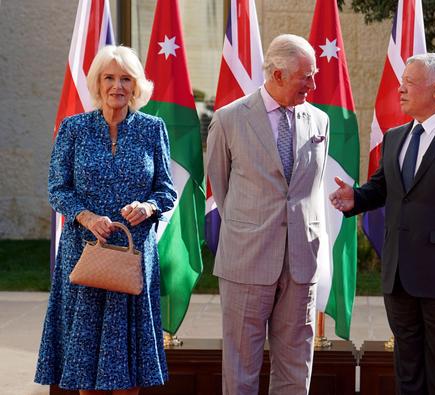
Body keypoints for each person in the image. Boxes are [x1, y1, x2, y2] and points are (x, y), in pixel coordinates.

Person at [329, 53, 435, 395]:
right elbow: (384, 187)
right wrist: (356, 198)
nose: (400, 89)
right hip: (399, 274)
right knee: (407, 370)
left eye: (408, 82)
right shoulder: (395, 137)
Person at [34, 45, 177, 395]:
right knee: (86, 365)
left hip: (132, 255)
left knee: (130, 365)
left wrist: (147, 207)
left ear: (136, 85)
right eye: (109, 78)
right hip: (84, 254)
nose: (117, 86)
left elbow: (166, 191)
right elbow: (57, 188)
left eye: (125, 78)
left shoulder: (152, 128)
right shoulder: (74, 128)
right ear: (97, 84)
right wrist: (86, 216)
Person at [206, 34, 328, 395]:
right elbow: (221, 188)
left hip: (301, 260)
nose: (313, 84)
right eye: (306, 76)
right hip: (247, 259)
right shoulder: (228, 120)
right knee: (242, 365)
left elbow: (310, 189)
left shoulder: (320, 121)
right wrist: (252, 228)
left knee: (295, 363)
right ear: (277, 74)